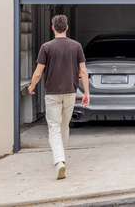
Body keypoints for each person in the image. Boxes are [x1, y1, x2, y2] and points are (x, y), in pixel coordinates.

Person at [28, 14, 90, 180]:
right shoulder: (76, 46)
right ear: (67, 27)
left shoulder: (46, 47)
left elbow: (38, 72)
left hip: (52, 95)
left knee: (54, 128)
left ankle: (59, 160)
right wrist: (87, 93)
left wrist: (32, 87)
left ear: (52, 27)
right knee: (64, 126)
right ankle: (62, 157)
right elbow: (83, 71)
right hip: (70, 93)